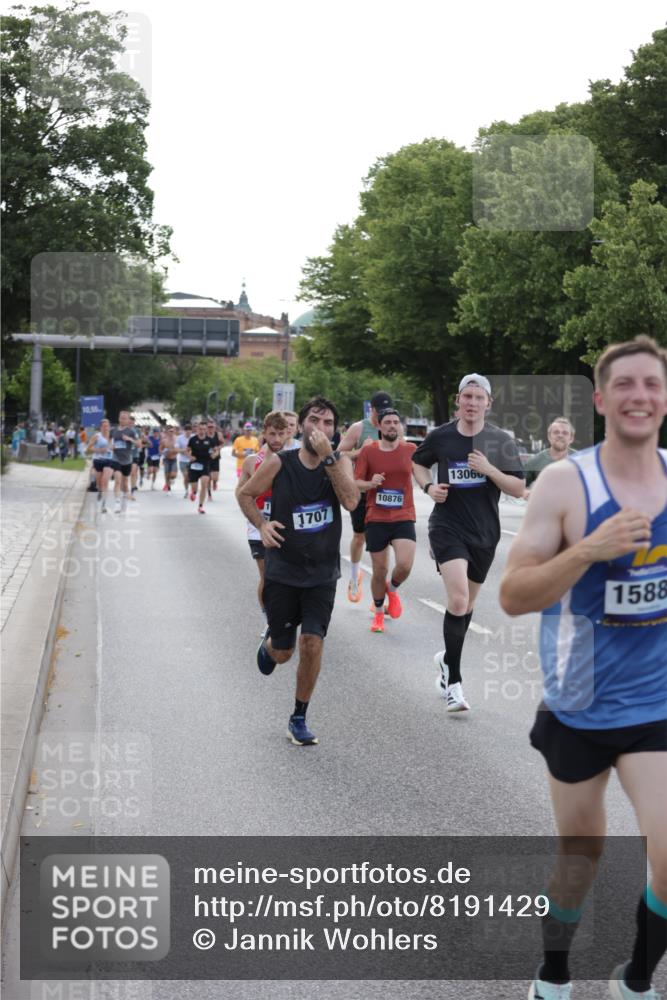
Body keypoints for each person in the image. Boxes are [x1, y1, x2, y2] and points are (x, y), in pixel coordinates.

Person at [500, 337, 667, 1000]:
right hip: (578, 704)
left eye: (650, 384)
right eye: (623, 384)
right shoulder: (567, 483)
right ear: (600, 400)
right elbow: (513, 595)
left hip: (654, 706)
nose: (638, 396)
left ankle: (634, 979)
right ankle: (553, 970)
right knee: (580, 857)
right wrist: (587, 551)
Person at [237, 395, 359, 746]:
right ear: (300, 426)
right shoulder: (279, 463)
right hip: (283, 572)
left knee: (312, 643)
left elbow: (351, 501)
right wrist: (261, 524)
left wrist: (332, 457)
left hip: (322, 574)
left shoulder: (339, 464)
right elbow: (246, 495)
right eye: (315, 421)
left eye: (328, 423)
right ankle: (270, 646)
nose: (321, 428)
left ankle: (299, 716)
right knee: (284, 652)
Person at [412, 373, 525, 711]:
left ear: (488, 403)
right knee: (458, 601)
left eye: (479, 398)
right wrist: (429, 488)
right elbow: (418, 463)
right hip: (447, 526)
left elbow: (518, 489)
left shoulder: (500, 441)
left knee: (467, 606)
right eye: (467, 397)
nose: (472, 403)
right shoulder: (442, 437)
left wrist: (490, 469)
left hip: (485, 533)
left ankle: (448, 658)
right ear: (458, 401)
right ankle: (455, 684)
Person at [354, 409, 417, 633]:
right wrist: (370, 483)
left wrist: (432, 488)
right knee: (379, 570)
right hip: (377, 516)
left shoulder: (411, 450)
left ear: (400, 426)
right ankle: (379, 614)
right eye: (387, 422)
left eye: (396, 422)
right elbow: (356, 482)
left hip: (403, 514)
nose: (392, 426)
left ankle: (392, 588)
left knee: (405, 565)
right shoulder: (369, 452)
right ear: (379, 426)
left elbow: (421, 474)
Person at [339, 390, 394, 603]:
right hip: (361, 490)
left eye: (386, 412)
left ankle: (379, 592)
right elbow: (338, 454)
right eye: (379, 411)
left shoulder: (392, 426)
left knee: (383, 541)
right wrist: (360, 450)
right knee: (360, 536)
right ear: (371, 409)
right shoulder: (359, 428)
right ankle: (354, 577)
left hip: (385, 491)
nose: (383, 416)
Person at [235, 411, 289, 612]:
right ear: (264, 433)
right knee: (267, 577)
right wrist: (256, 519)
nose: (276, 439)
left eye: (281, 434)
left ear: (287, 434)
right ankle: (269, 621)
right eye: (272, 433)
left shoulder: (292, 459)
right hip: (258, 527)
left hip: (285, 527)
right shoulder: (252, 461)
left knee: (286, 579)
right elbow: (240, 493)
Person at [523, 416, 577, 496]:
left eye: (565, 433)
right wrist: (526, 493)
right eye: (556, 432)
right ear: (549, 436)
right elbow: (519, 486)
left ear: (571, 438)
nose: (560, 435)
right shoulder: (535, 461)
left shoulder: (582, 460)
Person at [110, 411, 139, 513]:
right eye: (121, 418)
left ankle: (125, 495)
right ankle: (117, 503)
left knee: (125, 483)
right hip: (116, 458)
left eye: (125, 418)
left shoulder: (131, 431)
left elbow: (139, 444)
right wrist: (110, 446)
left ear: (128, 420)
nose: (123, 420)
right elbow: (109, 441)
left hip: (127, 460)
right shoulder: (113, 431)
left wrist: (130, 439)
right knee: (117, 480)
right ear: (119, 419)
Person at [187, 420, 216, 513]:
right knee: (194, 487)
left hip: (205, 464)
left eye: (204, 429)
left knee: (204, 484)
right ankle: (194, 492)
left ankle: (200, 506)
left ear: (206, 430)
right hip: (194, 465)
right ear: (197, 429)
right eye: (200, 429)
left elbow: (216, 450)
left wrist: (214, 454)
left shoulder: (209, 440)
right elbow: (187, 450)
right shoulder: (193, 439)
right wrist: (190, 456)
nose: (202, 431)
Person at [86, 419, 114, 512]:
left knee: (105, 481)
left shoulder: (112, 436)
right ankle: (99, 491)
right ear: (101, 427)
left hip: (109, 461)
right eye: (104, 426)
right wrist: (99, 450)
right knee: (99, 483)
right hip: (98, 461)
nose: (106, 428)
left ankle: (103, 505)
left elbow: (117, 447)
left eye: (107, 426)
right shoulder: (97, 436)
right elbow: (89, 448)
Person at [205, 419, 222, 497]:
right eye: (209, 427)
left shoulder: (218, 435)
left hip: (216, 457)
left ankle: (215, 483)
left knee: (215, 478)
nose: (210, 428)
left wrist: (217, 448)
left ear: (214, 427)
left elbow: (222, 443)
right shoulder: (204, 435)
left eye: (212, 427)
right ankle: (209, 494)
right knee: (208, 477)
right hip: (207, 458)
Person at [176, 423, 191, 498]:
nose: (188, 432)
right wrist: (183, 450)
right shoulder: (179, 438)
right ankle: (186, 490)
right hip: (183, 460)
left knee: (190, 477)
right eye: (186, 430)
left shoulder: (193, 437)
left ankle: (192, 489)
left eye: (189, 430)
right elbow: (177, 449)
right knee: (186, 476)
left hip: (191, 460)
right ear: (184, 431)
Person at [161, 426, 178, 491]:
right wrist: (163, 452)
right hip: (166, 459)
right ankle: (168, 487)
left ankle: (171, 480)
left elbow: (179, 447)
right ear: (167, 432)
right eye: (170, 431)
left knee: (174, 475)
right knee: (167, 474)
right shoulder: (164, 440)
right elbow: (160, 449)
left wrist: (176, 451)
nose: (171, 432)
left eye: (173, 431)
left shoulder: (176, 439)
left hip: (174, 459)